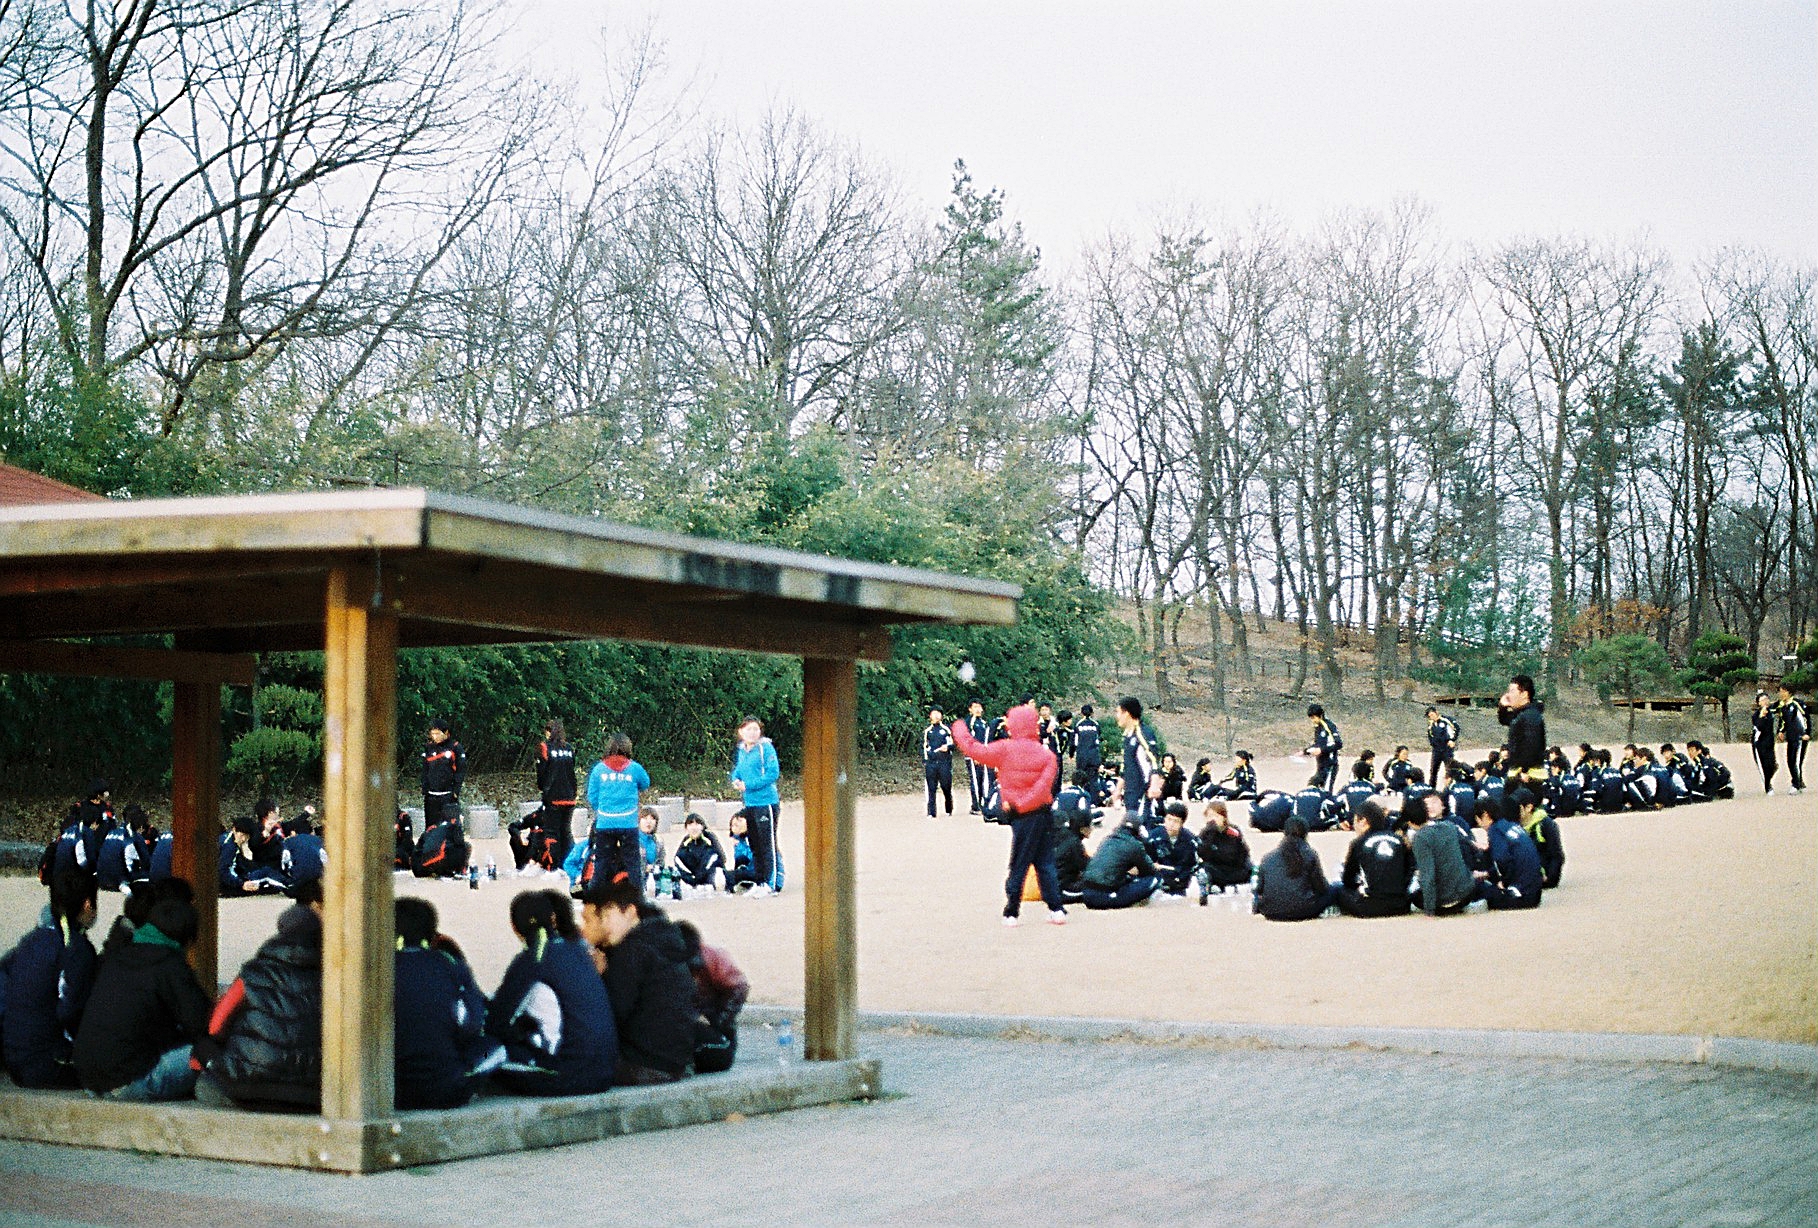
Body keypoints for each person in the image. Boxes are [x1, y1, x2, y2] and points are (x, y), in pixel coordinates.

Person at [72, 895, 215, 1100]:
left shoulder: (118, 956)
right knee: (215, 1052)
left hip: (88, 1079)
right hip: (129, 1082)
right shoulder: (170, 965)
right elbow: (203, 1025)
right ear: (187, 938)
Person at [198, 879, 326, 1109]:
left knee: (204, 1083)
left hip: (248, 1086)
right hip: (310, 1093)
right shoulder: (331, 978)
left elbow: (215, 1027)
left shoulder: (252, 973)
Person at [488, 890, 617, 1096]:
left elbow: (497, 1023)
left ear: (514, 926)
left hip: (571, 1074)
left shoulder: (532, 960)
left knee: (487, 1054)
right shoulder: (577, 951)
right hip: (605, 1069)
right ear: (553, 919)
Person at [952, 702, 1066, 927]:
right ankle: (1056, 909)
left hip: (1020, 815)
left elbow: (975, 750)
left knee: (1019, 863)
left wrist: (959, 728)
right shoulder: (1047, 755)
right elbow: (1045, 786)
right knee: (1045, 862)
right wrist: (1028, 802)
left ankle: (1012, 911)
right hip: (1043, 813)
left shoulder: (1004, 749)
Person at [582, 878, 697, 1085]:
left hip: (644, 1063)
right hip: (675, 1061)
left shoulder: (632, 951)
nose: (604, 924)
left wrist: (597, 978)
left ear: (630, 912)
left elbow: (611, 1014)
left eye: (609, 915)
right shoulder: (661, 938)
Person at [393, 897, 503, 1110]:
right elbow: (472, 1023)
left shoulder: (379, 967)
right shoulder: (450, 964)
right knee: (495, 1049)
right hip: (446, 1088)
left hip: (391, 1090)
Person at [1, 871, 98, 1088]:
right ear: (87, 904)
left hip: (15, 1059)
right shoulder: (76, 949)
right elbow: (70, 1012)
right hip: (47, 1064)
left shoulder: (31, 941)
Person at [579, 730, 652, 894]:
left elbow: (592, 795)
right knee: (633, 863)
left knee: (601, 863)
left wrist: (601, 810)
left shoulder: (599, 769)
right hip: (628, 823)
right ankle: (637, 898)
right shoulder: (634, 768)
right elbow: (645, 783)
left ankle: (594, 898)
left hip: (605, 823)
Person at [675, 920, 748, 1075]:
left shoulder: (714, 958)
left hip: (715, 1028)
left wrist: (718, 1021)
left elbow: (738, 988)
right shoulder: (665, 964)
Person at [728, 717, 783, 895]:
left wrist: (749, 785)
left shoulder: (765, 748)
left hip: (766, 802)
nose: (752, 733)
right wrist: (735, 780)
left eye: (756, 729)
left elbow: (773, 773)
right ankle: (759, 882)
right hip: (749, 803)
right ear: (740, 732)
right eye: (749, 729)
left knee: (767, 844)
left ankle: (771, 883)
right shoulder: (741, 750)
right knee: (755, 844)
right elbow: (738, 770)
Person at [1338, 797, 1413, 917]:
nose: (1354, 825)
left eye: (1355, 821)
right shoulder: (1400, 840)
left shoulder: (1358, 842)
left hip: (1370, 907)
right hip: (1401, 905)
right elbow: (1410, 869)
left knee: (1337, 889)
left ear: (1363, 821)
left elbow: (1348, 879)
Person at [1472, 792, 1544, 911]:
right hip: (1535, 892)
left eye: (1477, 819)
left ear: (1485, 816)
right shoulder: (1511, 826)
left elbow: (1502, 859)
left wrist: (1503, 882)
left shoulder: (1495, 831)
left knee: (1479, 888)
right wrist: (1488, 873)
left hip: (1522, 895)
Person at [1253, 817, 1335, 921]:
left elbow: (1259, 889)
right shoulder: (1309, 854)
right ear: (1305, 833)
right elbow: (1321, 887)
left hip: (1270, 911)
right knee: (1336, 889)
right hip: (1304, 910)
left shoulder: (1268, 857)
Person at [1408, 795, 1477, 917]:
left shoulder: (1420, 837)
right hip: (1467, 894)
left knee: (1413, 892)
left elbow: (1428, 875)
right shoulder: (1450, 826)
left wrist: (1429, 910)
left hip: (1444, 902)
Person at [1078, 815, 1160, 910]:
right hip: (1104, 896)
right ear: (1138, 830)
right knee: (1154, 880)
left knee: (1127, 877)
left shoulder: (1107, 839)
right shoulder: (1135, 845)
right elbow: (1149, 871)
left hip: (1086, 893)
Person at [535, 717, 579, 870]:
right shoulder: (569, 748)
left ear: (549, 732)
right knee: (566, 831)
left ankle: (553, 866)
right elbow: (571, 770)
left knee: (552, 831)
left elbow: (541, 773)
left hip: (553, 797)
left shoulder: (544, 747)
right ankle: (570, 864)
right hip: (570, 797)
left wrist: (543, 789)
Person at [1113, 697, 1160, 820]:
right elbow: (1125, 765)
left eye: (1118, 712)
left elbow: (1154, 759)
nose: (1117, 716)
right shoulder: (1127, 736)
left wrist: (1154, 784)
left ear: (1127, 713)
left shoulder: (1142, 733)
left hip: (1143, 790)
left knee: (1141, 825)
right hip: (1130, 792)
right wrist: (1118, 790)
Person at [1498, 674, 1547, 790]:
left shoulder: (1531, 716)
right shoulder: (1522, 714)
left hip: (1528, 775)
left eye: (1512, 691)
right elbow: (1505, 720)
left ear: (1524, 694)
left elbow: (1532, 744)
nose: (1508, 695)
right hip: (1519, 772)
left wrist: (1524, 770)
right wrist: (1502, 707)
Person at [1196, 801, 1253, 899]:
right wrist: (1211, 834)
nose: (1213, 820)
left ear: (1224, 817)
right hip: (1216, 871)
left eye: (1216, 816)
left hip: (1234, 869)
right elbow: (1202, 853)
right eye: (1210, 816)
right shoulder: (1206, 833)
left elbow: (1239, 854)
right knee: (1204, 869)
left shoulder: (1233, 832)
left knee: (1250, 867)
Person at [220, 815, 286, 895]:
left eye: (246, 836)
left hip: (232, 879)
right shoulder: (229, 846)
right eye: (242, 835)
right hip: (229, 884)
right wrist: (242, 884)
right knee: (266, 873)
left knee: (263, 872)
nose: (243, 839)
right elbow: (223, 871)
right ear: (234, 830)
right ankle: (290, 886)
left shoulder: (227, 838)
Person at [1146, 801, 1198, 899]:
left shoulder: (1190, 840)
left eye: (1176, 821)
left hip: (1181, 883)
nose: (1171, 824)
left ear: (1182, 823)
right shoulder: (1153, 837)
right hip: (1158, 882)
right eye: (1169, 819)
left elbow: (1190, 866)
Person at [421, 720, 466, 828]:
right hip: (431, 796)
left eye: (437, 734)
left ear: (446, 732)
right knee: (431, 828)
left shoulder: (455, 747)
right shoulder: (428, 748)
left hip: (448, 796)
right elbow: (425, 769)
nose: (435, 737)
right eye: (433, 734)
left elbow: (460, 771)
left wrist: (456, 791)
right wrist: (425, 788)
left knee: (450, 828)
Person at [95, 804, 150, 892]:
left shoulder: (112, 832)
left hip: (102, 880)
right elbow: (146, 862)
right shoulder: (134, 836)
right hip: (119, 881)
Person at [1052, 805, 1095, 907]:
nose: (1092, 828)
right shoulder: (1074, 843)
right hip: (1063, 890)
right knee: (1098, 890)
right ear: (1082, 829)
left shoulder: (1065, 836)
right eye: (1090, 825)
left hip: (1051, 887)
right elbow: (1087, 867)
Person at [673, 814, 726, 895]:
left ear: (702, 826)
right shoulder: (686, 841)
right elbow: (678, 861)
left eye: (697, 824)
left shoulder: (710, 838)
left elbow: (721, 858)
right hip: (692, 879)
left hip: (709, 876)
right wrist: (690, 878)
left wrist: (702, 876)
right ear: (686, 827)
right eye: (690, 824)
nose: (694, 827)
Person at [280, 811, 325, 891]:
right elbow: (325, 860)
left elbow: (284, 862)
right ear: (311, 832)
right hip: (316, 878)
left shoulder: (289, 841)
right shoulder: (318, 840)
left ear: (294, 832)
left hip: (297, 879)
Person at [922, 707, 955, 818]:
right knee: (931, 788)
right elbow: (923, 747)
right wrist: (926, 760)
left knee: (946, 787)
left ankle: (949, 809)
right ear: (930, 716)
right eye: (934, 713)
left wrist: (947, 747)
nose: (936, 716)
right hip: (931, 763)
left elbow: (953, 744)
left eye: (938, 713)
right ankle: (931, 812)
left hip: (944, 763)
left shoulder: (946, 729)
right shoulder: (927, 731)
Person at [963, 700, 993, 814]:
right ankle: (975, 806)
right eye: (975, 707)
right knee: (975, 781)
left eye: (979, 707)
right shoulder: (969, 722)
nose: (978, 709)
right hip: (973, 757)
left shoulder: (984, 723)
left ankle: (983, 804)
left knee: (983, 780)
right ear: (970, 709)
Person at [1780, 683, 1809, 794]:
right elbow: (1784, 721)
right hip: (1791, 737)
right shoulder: (1784, 707)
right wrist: (1781, 731)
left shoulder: (1797, 704)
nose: (1781, 694)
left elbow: (1805, 718)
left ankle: (1796, 784)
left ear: (1788, 692)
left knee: (1796, 761)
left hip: (1800, 737)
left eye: (1783, 691)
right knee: (1790, 760)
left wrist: (1805, 733)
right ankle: (1799, 782)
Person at [1305, 704, 1342, 792]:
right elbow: (1318, 744)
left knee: (1327, 791)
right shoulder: (1318, 728)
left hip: (1330, 764)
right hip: (1321, 764)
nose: (1313, 720)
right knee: (1318, 789)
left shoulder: (1329, 726)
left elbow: (1338, 744)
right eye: (1311, 718)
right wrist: (1306, 751)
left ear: (1320, 715)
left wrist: (1321, 750)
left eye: (1314, 718)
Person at [1751, 691, 1779, 795]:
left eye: (1766, 699)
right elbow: (1759, 727)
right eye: (1762, 700)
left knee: (1773, 765)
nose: (1765, 701)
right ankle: (1768, 787)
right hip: (1759, 744)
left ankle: (1768, 781)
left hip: (1770, 742)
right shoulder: (1756, 715)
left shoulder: (1771, 711)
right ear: (1758, 703)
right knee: (1764, 766)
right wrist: (1762, 716)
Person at [1426, 706, 1460, 788]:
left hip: (1446, 749)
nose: (1431, 717)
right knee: (1433, 770)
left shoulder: (1446, 720)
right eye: (1429, 716)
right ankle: (1431, 788)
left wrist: (1452, 740)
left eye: (1432, 715)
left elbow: (1456, 728)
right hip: (1436, 750)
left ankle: (1450, 787)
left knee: (1449, 769)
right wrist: (1432, 743)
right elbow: (1430, 734)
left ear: (1436, 713)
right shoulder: (1431, 724)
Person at [724, 811, 757, 893]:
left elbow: (752, 856)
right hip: (744, 869)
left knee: (730, 874)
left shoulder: (749, 839)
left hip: (753, 871)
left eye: (737, 825)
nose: (734, 828)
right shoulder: (737, 839)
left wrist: (739, 846)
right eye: (732, 825)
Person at [1072, 704, 1102, 784]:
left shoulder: (1078, 724)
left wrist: (1071, 754)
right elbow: (1099, 738)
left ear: (1081, 713)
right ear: (1092, 713)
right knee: (1093, 779)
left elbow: (1074, 742)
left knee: (1081, 778)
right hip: (1094, 756)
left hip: (1082, 756)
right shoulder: (1096, 724)